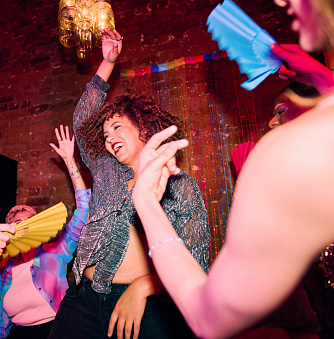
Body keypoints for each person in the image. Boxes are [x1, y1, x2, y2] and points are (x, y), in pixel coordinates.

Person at [131, 0, 334, 337]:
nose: (281, 1)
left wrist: (144, 200)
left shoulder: (287, 160)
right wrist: (323, 78)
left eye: (283, 111)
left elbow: (208, 318)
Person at [48, 29, 210, 339]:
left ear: (143, 130)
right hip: (82, 301)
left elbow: (196, 262)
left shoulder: (179, 185)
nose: (109, 139)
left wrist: (142, 287)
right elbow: (83, 121)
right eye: (106, 135)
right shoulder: (106, 170)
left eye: (117, 127)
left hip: (147, 306)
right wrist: (107, 63)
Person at [0, 125, 91, 339]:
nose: (25, 226)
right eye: (18, 222)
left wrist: (70, 162)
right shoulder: (3, 270)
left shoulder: (54, 252)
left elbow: (84, 211)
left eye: (30, 221)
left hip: (56, 331)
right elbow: (0, 324)